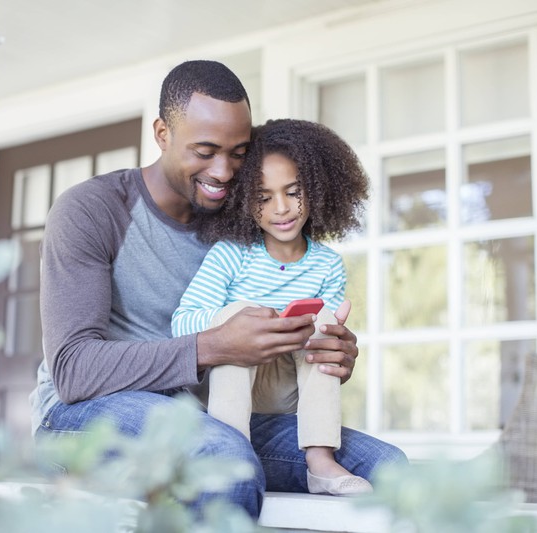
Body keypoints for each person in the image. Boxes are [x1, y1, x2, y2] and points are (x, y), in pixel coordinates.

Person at [30, 59, 407, 518]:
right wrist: (214, 346)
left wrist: (325, 353)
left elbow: (271, 331)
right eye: (205, 151)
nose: (225, 171)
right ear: (162, 133)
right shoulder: (93, 210)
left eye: (239, 152)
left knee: (387, 467)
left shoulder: (242, 221)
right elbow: (74, 370)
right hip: (80, 416)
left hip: (207, 417)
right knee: (224, 456)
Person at [171, 118, 372, 496]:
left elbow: (324, 362)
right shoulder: (231, 256)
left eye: (294, 192)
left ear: (316, 189)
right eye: (264, 197)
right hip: (231, 385)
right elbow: (182, 324)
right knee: (237, 312)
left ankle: (320, 460)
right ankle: (230, 453)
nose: (281, 208)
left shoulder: (327, 264)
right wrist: (247, 323)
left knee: (323, 322)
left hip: (286, 389)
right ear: (246, 202)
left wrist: (328, 333)